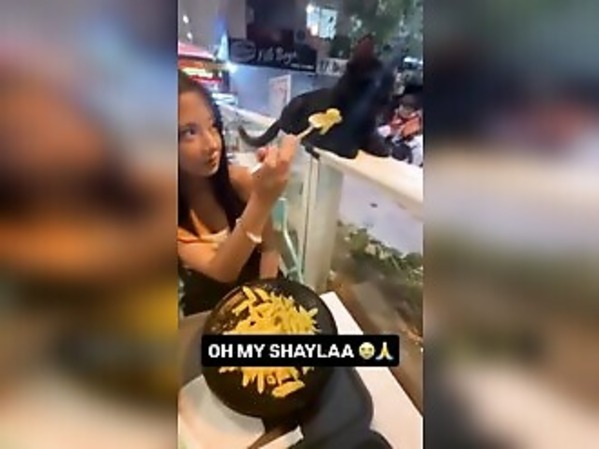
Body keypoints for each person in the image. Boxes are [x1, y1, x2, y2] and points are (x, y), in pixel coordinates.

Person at [177, 70, 296, 315]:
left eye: (212, 126)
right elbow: (222, 270)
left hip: (263, 293)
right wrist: (262, 200)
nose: (212, 144)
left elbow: (270, 249)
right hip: (210, 309)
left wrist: (266, 304)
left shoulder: (238, 180)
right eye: (189, 132)